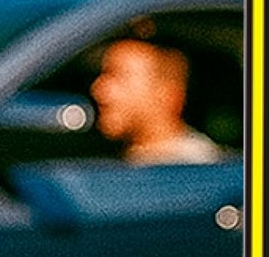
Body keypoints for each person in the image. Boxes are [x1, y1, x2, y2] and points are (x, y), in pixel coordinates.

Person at [90, 38, 224, 164]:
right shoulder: (132, 159)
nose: (98, 90)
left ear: (166, 94)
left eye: (118, 77)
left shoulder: (191, 171)